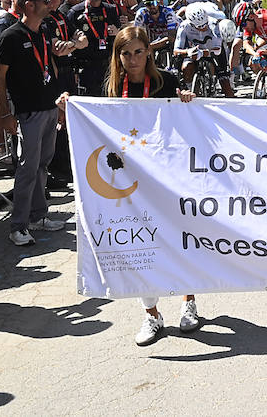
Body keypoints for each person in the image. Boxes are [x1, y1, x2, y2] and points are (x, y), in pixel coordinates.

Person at [73, 26, 198, 345]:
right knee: (139, 244)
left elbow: (186, 123)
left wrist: (186, 100)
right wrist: (70, 108)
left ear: (149, 53)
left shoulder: (165, 82)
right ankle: (152, 314)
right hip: (129, 178)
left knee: (180, 237)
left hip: (167, 174)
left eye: (138, 52)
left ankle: (188, 302)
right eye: (125, 53)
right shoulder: (113, 87)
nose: (132, 59)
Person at [0, 0, 72, 247]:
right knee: (27, 169)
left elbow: (50, 66)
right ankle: (18, 226)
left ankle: (38, 216)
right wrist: (5, 113)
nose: (51, 4)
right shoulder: (11, 36)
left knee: (41, 165)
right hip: (28, 113)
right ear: (28, 5)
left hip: (49, 108)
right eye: (45, 0)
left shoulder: (45, 31)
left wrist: (59, 105)